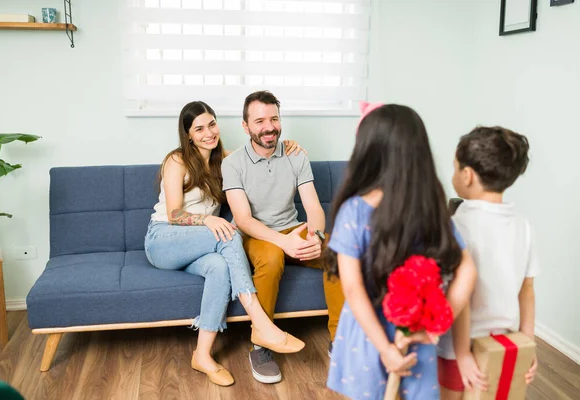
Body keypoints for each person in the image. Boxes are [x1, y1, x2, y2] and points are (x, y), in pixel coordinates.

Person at [144, 101, 306, 387]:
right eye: (199, 129)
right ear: (188, 134)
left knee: (219, 268)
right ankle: (260, 323)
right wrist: (207, 220)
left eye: (212, 124)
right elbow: (173, 214)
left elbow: (260, 151)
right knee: (229, 233)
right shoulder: (177, 160)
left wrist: (288, 145)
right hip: (164, 239)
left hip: (201, 246)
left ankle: (202, 355)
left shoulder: (227, 161)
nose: (209, 133)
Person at [325, 103, 477, 400]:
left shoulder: (353, 211)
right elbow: (468, 269)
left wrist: (384, 349)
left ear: (367, 151)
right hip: (416, 330)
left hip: (368, 336)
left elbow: (354, 290)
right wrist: (436, 324)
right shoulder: (431, 209)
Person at [222, 90, 346, 384]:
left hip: (293, 228)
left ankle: (340, 340)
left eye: (274, 118)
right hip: (256, 235)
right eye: (260, 120)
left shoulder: (295, 155)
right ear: (246, 126)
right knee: (273, 256)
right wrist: (286, 242)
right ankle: (261, 345)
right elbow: (243, 219)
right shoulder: (232, 164)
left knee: (338, 252)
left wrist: (314, 235)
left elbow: (313, 207)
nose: (269, 127)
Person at [437, 126, 539, 399]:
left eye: (455, 168)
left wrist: (462, 355)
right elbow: (527, 292)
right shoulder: (523, 226)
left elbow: (461, 295)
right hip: (503, 344)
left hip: (457, 349)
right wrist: (527, 345)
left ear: (467, 176)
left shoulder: (457, 224)